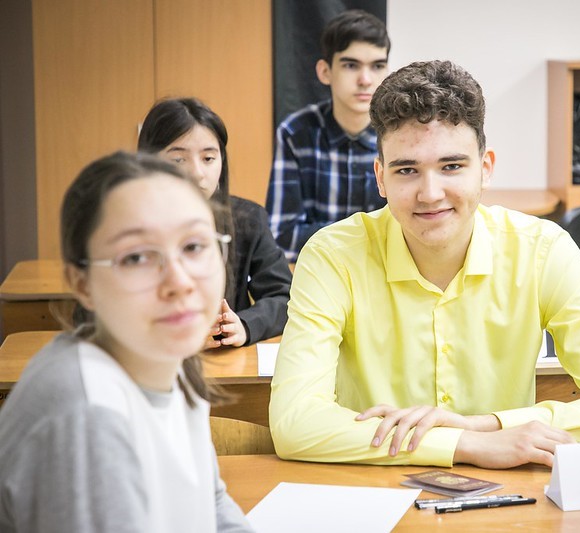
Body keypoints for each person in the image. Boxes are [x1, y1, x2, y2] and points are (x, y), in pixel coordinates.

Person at [269, 60, 580, 468]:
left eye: (452, 166)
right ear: (381, 178)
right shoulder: (332, 256)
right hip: (372, 486)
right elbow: (295, 423)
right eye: (407, 170)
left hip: (510, 489)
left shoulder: (543, 250)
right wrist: (465, 445)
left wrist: (486, 426)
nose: (430, 193)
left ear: (485, 169)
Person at [0, 152, 253, 532]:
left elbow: (211, 501)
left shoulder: (166, 360)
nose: (180, 281)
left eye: (194, 246)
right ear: (82, 283)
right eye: (136, 257)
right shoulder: (86, 409)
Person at [139, 98, 292, 347]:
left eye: (208, 158)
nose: (197, 173)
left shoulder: (247, 219)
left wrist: (245, 325)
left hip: (222, 358)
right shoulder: (127, 226)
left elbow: (284, 297)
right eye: (178, 160)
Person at [266, 9, 390, 261]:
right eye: (351, 65)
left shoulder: (399, 134)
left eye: (377, 66)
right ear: (325, 71)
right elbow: (281, 237)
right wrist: (369, 236)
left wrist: (328, 237)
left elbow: (412, 231)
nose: (365, 79)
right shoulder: (295, 133)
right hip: (320, 273)